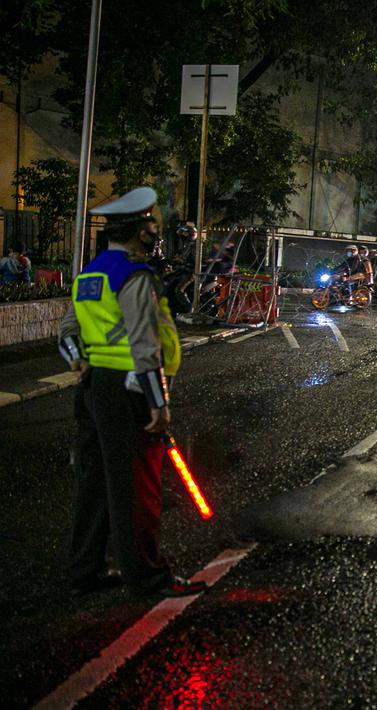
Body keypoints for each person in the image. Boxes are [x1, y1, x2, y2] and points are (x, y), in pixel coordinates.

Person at [57, 186, 207, 598]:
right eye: (152, 223)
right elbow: (144, 343)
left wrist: (77, 360)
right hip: (130, 390)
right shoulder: (135, 275)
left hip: (93, 389)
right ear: (141, 231)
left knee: (96, 482)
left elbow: (67, 331)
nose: (156, 231)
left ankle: (83, 572)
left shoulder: (89, 274)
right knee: (137, 489)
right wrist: (158, 404)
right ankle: (147, 578)